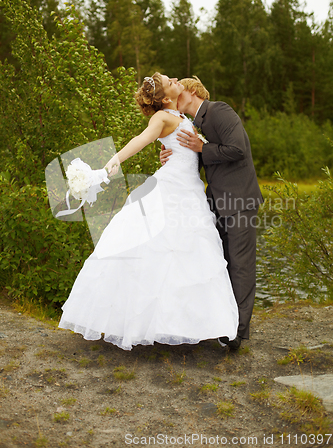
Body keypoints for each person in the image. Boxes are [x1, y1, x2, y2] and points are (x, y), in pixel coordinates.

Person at [59, 73, 239, 351]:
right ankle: (143, 324)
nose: (176, 78)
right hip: (172, 189)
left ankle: (182, 324)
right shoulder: (162, 118)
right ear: (166, 97)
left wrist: (170, 150)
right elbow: (141, 139)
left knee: (185, 258)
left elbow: (185, 147)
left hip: (188, 189)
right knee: (160, 254)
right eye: (171, 80)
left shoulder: (177, 114)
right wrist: (114, 161)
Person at [160, 76, 263, 350]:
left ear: (192, 91)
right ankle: (221, 322)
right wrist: (172, 156)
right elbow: (197, 161)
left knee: (240, 266)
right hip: (215, 203)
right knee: (220, 263)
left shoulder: (219, 110)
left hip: (239, 201)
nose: (175, 97)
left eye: (180, 91)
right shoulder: (193, 125)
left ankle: (237, 335)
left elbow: (238, 149)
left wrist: (201, 147)